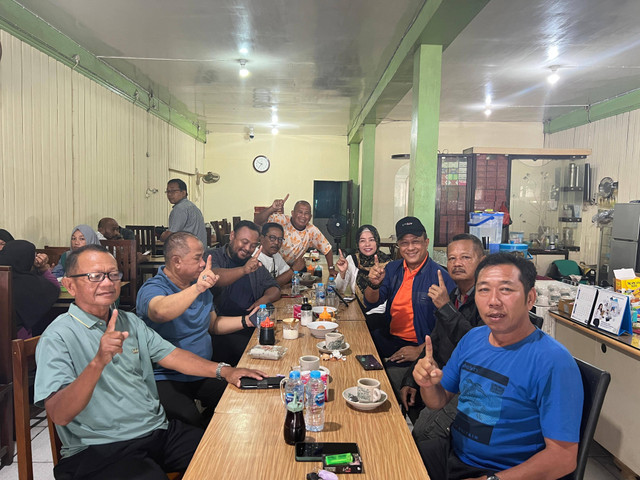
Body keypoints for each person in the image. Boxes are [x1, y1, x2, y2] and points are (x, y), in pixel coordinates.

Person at [35, 245, 265, 480]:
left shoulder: (129, 321)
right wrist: (98, 362)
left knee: (234, 453)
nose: (107, 283)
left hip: (156, 431)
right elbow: (59, 414)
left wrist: (224, 370)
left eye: (113, 274)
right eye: (94, 276)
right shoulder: (58, 336)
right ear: (70, 284)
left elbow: (172, 355)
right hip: (102, 447)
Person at [414, 253, 584, 480]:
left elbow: (563, 458)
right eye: (484, 289)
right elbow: (438, 400)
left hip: (503, 473)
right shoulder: (474, 338)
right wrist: (427, 384)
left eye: (506, 289)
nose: (493, 301)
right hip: (456, 455)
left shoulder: (553, 362)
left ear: (530, 298)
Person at [137, 232, 260, 428]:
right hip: (165, 377)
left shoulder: (198, 286)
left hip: (202, 370)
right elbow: (159, 311)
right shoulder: (153, 288)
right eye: (197, 258)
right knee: (191, 423)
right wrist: (197, 289)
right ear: (177, 261)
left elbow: (212, 325)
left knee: (242, 401)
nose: (203, 263)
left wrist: (248, 321)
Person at [400, 233, 485, 437]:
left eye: (465, 257)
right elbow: (433, 343)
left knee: (423, 433)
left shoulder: (486, 300)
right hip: (441, 376)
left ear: (482, 261)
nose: (457, 263)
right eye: (452, 258)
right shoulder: (454, 295)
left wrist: (446, 308)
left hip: (470, 386)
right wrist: (411, 380)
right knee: (393, 385)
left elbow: (478, 348)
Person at [364, 216, 455, 394]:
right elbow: (372, 301)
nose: (411, 248)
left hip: (422, 346)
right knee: (356, 356)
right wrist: (373, 283)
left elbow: (450, 327)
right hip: (392, 339)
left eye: (416, 242)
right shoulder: (393, 269)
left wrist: (419, 351)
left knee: (382, 384)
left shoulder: (440, 277)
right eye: (404, 243)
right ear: (399, 246)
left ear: (426, 242)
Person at [206, 220, 280, 365]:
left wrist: (263, 300)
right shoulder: (213, 256)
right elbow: (214, 277)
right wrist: (243, 270)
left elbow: (275, 288)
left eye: (253, 245)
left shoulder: (253, 263)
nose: (247, 248)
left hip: (251, 326)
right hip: (223, 331)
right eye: (244, 242)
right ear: (232, 236)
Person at [254, 194, 335, 273]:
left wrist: (331, 268)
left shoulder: (312, 231)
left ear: (310, 217)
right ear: (292, 213)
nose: (303, 216)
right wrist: (272, 208)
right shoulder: (281, 220)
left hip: (291, 268)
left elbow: (327, 248)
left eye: (306, 213)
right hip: (270, 262)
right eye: (300, 212)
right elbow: (257, 221)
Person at [334, 224, 392, 331]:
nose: (367, 244)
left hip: (380, 317)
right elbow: (338, 290)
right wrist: (342, 272)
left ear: (377, 242)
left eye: (371, 240)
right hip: (356, 311)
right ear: (357, 243)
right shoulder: (352, 260)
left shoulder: (388, 263)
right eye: (362, 241)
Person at [0, 240, 60, 338]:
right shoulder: (30, 283)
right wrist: (43, 268)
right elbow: (54, 289)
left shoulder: (4, 277)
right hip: (18, 344)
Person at [159, 179, 207, 247]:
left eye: (173, 191)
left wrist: (162, 236)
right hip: (199, 250)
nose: (169, 194)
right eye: (168, 191)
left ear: (183, 193)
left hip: (188, 252)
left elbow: (171, 235)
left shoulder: (180, 209)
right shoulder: (192, 206)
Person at [258, 222, 305, 287]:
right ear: (262, 238)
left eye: (280, 239)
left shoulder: (276, 255)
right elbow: (268, 286)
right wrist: (294, 269)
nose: (277, 242)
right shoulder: (255, 258)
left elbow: (287, 276)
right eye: (272, 238)